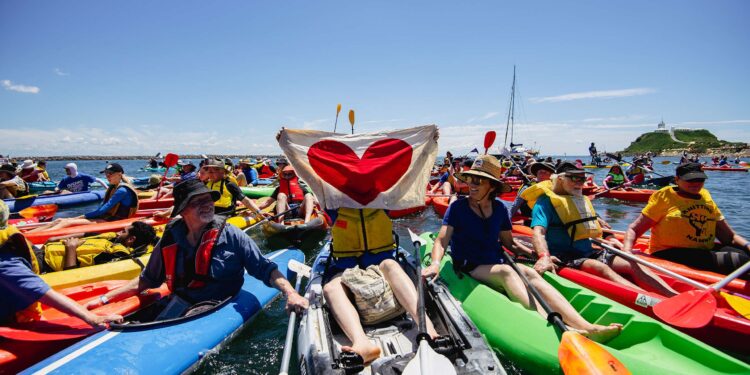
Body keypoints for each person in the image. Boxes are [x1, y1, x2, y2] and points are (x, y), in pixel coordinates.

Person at [422, 155, 622, 342]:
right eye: (471, 180)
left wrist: (537, 255)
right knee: (507, 271)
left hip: (495, 261)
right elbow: (442, 240)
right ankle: (557, 325)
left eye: (479, 181)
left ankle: (587, 326)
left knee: (531, 274)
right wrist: (436, 263)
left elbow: (509, 244)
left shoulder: (500, 208)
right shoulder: (457, 207)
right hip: (469, 264)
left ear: (492, 186)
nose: (472, 185)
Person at [82, 180, 308, 316]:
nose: (207, 205)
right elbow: (148, 279)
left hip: (214, 303)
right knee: (140, 317)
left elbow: (265, 269)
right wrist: (105, 300)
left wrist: (291, 294)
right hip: (179, 299)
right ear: (182, 210)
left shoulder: (231, 235)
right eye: (197, 202)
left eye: (208, 200)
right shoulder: (171, 236)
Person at [530, 162, 677, 296]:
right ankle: (649, 299)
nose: (580, 183)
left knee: (633, 262)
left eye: (582, 179)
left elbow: (593, 225)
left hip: (588, 251)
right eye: (575, 178)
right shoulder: (545, 202)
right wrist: (544, 256)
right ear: (560, 179)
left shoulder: (579, 199)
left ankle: (672, 295)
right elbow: (538, 232)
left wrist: (609, 239)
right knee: (599, 267)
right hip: (563, 256)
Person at [323, 205, 440, 364]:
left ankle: (427, 328)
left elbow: (403, 188)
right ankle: (362, 343)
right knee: (330, 288)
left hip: (381, 263)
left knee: (391, 265)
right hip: (347, 267)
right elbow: (318, 185)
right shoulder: (333, 205)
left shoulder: (383, 200)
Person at [0, 201, 122, 327]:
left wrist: (91, 318)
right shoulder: (6, 261)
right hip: (41, 258)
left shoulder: (7, 263)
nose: (120, 233)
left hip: (16, 308)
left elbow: (42, 291)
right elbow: (41, 291)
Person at [622, 163, 750, 278]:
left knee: (744, 254)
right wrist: (627, 251)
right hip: (668, 252)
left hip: (702, 250)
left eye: (700, 179)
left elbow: (730, 236)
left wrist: (747, 245)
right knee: (740, 261)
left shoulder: (705, 196)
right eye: (690, 179)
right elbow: (634, 229)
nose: (696, 183)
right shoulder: (665, 197)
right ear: (677, 180)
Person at [31, 163, 139, 232]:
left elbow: (102, 210)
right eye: (106, 174)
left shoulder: (122, 190)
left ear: (120, 174)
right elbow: (102, 209)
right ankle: (28, 233)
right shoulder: (114, 187)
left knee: (66, 222)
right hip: (106, 218)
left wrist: (79, 217)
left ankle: (33, 237)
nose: (107, 176)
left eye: (110, 174)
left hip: (114, 222)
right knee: (59, 219)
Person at [35, 222, 157, 273]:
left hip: (44, 264)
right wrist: (54, 239)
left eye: (123, 231)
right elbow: (86, 234)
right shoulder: (113, 238)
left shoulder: (117, 254)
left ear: (130, 239)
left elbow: (71, 274)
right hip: (42, 252)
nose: (119, 232)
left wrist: (71, 248)